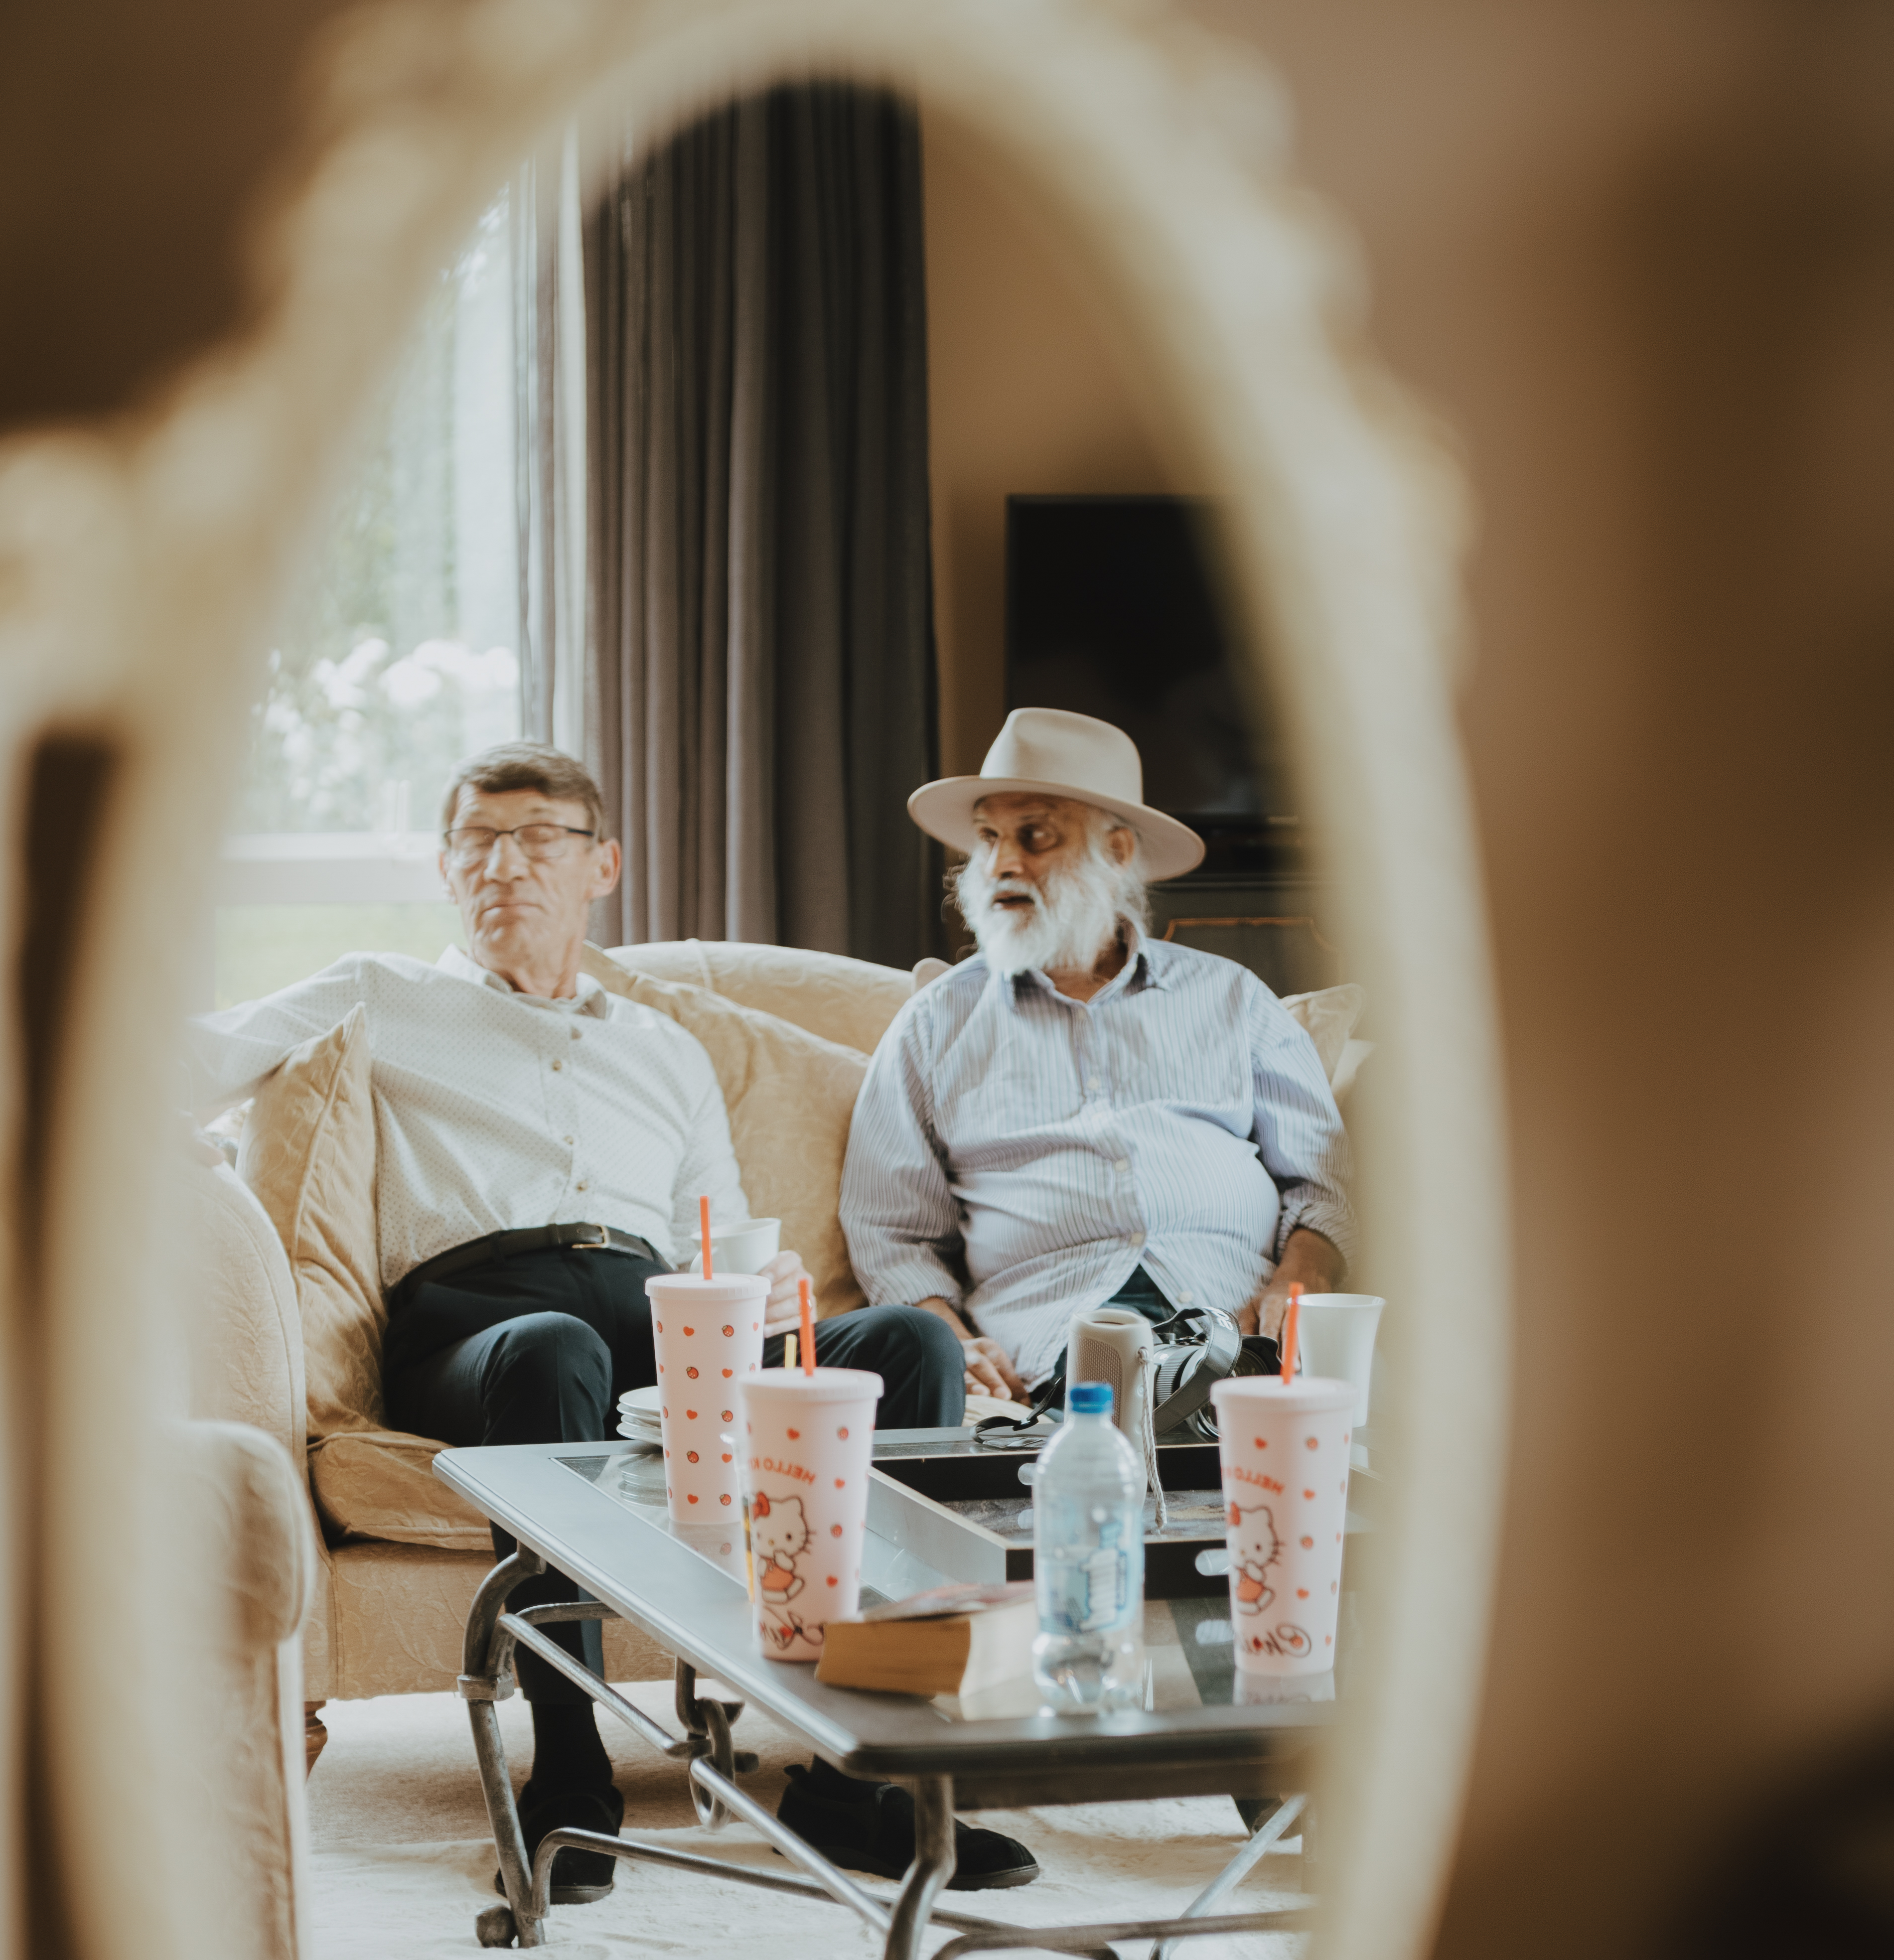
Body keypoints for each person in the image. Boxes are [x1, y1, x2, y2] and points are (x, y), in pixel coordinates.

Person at [190, 743, 1035, 1898]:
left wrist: (763, 1321)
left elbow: (720, 1240)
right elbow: (188, 1062)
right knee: (554, 1346)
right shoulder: (381, 992)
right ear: (445, 867)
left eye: (539, 837)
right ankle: (571, 1763)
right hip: (478, 1321)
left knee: (907, 1345)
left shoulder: (667, 1048)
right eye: (477, 840)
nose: (505, 864)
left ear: (603, 866)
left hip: (665, 1316)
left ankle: (860, 1770)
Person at [840, 708, 1356, 1406]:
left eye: (1036, 836)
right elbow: (888, 1231)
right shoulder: (935, 1025)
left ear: (1118, 852)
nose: (1002, 864)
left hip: (1240, 1339)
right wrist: (949, 1339)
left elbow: (1324, 1184)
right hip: (1054, 1355)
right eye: (989, 838)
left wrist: (1300, 1281)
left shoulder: (1234, 999)